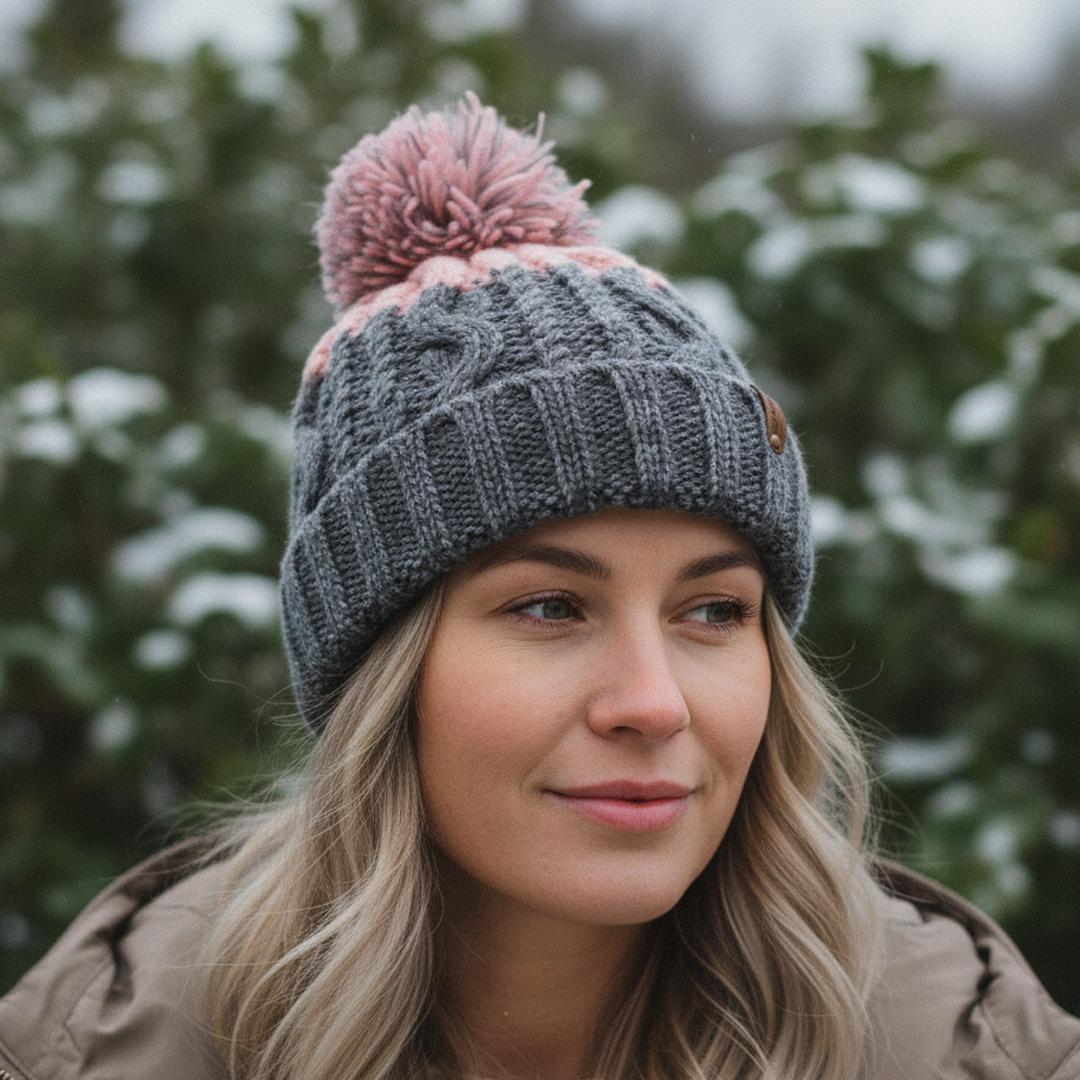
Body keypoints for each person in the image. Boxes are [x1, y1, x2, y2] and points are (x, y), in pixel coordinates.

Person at [0, 94, 1077, 1080]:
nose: (652, 703)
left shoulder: (950, 1053)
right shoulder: (118, 1055)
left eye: (714, 611)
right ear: (383, 668)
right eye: (550, 607)